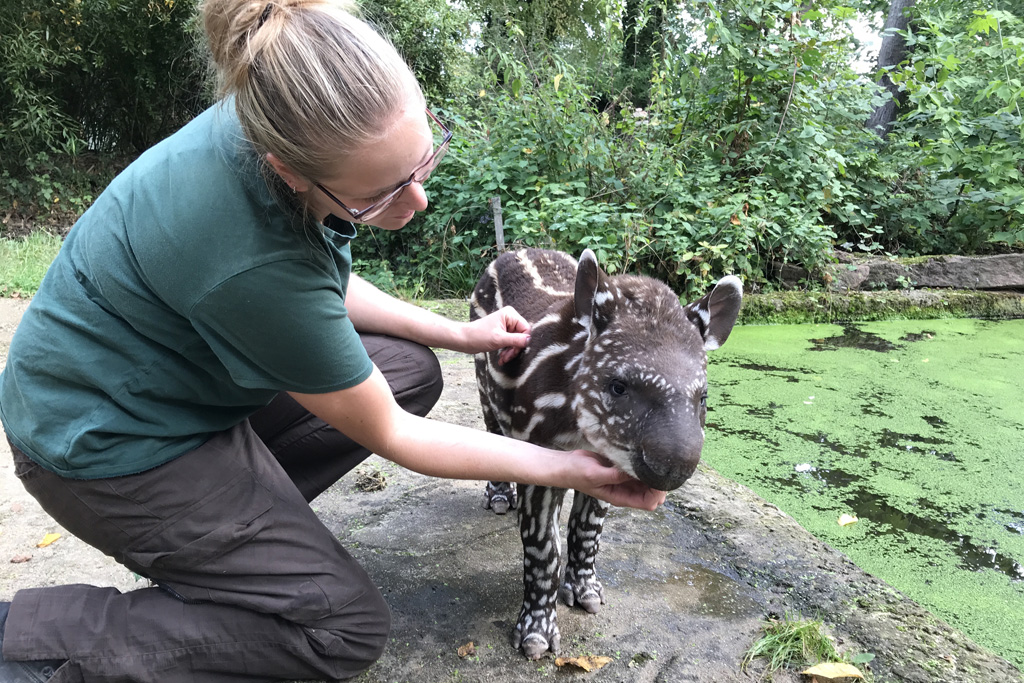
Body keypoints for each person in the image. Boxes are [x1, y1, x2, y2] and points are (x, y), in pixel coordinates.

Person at [0, 0, 667, 681]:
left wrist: (457, 332)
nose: (418, 203)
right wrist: (569, 467)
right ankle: (29, 640)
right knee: (342, 628)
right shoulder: (247, 248)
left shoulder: (277, 96)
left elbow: (317, 289)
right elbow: (391, 430)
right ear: (289, 171)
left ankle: (234, 547)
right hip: (105, 440)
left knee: (411, 367)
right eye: (380, 195)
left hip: (166, 377)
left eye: (423, 161)